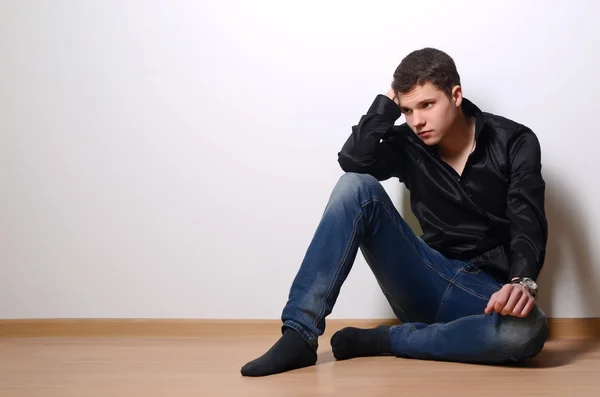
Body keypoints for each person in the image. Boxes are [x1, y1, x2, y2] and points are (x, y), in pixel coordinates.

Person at [240, 47, 549, 377]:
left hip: (481, 298)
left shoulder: (514, 140)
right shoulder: (408, 143)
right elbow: (353, 161)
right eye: (407, 110)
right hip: (426, 278)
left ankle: (388, 340)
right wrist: (387, 104)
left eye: (427, 104)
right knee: (355, 186)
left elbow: (526, 219)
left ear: (456, 95)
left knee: (528, 331)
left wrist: (521, 281)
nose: (417, 121)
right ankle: (299, 335)